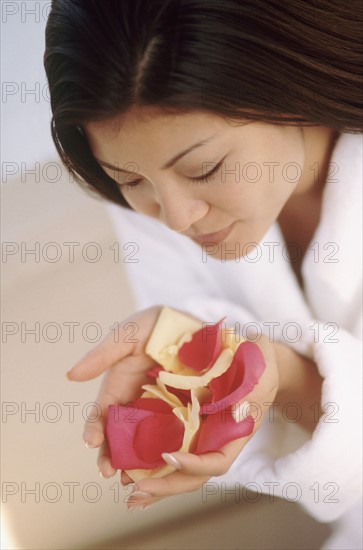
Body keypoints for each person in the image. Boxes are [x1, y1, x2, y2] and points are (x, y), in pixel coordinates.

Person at [44, 1, 362, 547]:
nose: (177, 218)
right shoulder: (153, 205)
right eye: (128, 178)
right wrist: (244, 364)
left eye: (204, 169)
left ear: (291, 86)